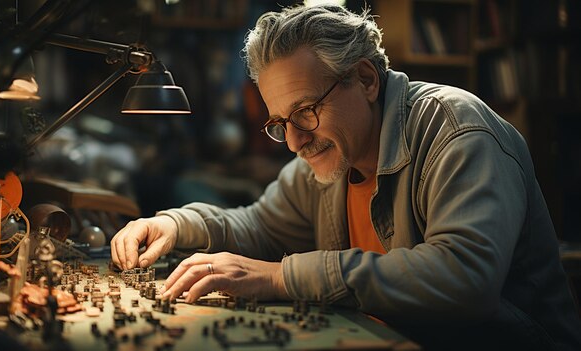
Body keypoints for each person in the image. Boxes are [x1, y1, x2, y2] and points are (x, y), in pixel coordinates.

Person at [111, 4, 581, 350]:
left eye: (307, 111)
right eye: (280, 123)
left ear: (366, 79)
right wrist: (175, 224)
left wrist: (281, 278)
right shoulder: (330, 157)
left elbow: (464, 279)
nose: (294, 142)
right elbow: (258, 225)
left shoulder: (455, 129)